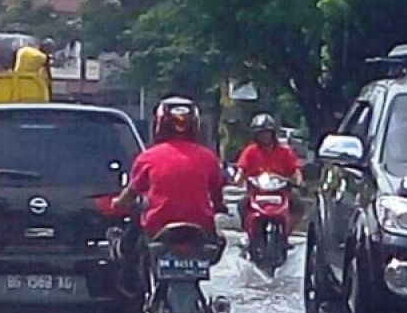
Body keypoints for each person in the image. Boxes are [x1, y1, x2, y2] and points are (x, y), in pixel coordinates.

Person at [114, 97, 227, 241]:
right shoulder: (208, 157)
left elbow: (132, 192)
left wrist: (117, 203)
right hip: (201, 226)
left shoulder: (148, 157)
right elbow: (217, 193)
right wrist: (219, 206)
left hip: (156, 225)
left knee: (130, 244)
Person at [234, 112, 304, 228]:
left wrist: (299, 181)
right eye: (261, 133)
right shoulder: (250, 151)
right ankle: (249, 232)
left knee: (299, 205)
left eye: (267, 133)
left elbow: (295, 170)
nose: (264, 136)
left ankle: (287, 231)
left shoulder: (285, 151)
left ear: (273, 133)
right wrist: (238, 179)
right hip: (256, 192)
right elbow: (241, 169)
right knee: (242, 205)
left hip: (282, 192)